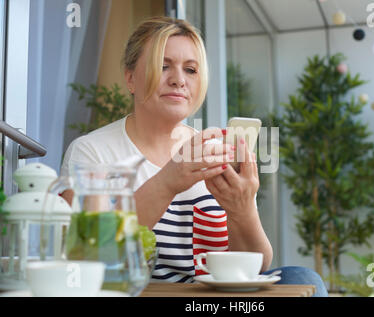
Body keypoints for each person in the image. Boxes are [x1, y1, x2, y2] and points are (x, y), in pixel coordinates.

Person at [61, 16, 328, 296]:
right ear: (130, 78)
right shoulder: (92, 151)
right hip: (136, 292)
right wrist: (167, 182)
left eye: (190, 70)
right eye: (163, 66)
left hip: (209, 300)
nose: (178, 80)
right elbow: (86, 259)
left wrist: (243, 208)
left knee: (301, 276)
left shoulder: (214, 150)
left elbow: (256, 266)